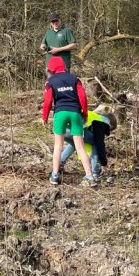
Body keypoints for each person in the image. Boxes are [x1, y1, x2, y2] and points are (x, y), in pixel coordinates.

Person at [42, 56, 96, 186]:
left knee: (58, 146)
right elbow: (82, 97)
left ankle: (54, 176)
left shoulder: (51, 81)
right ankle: (89, 176)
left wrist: (44, 117)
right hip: (75, 112)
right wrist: (85, 113)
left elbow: (48, 101)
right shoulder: (74, 79)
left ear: (51, 69)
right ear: (64, 67)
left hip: (60, 113)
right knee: (80, 146)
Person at [59, 109, 113, 180]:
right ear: (110, 124)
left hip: (63, 128)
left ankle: (59, 164)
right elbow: (100, 145)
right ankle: (95, 172)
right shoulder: (101, 122)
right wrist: (104, 163)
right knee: (96, 143)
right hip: (75, 130)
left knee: (75, 143)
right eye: (111, 129)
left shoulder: (94, 115)